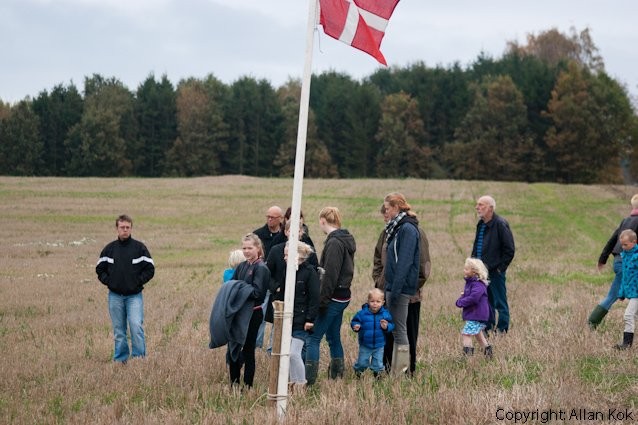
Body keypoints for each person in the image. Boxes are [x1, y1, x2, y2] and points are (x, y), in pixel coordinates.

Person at [373, 203, 431, 376]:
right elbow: (378, 259)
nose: (385, 215)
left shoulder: (415, 232)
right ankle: (386, 369)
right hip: (387, 292)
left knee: (407, 334)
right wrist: (379, 281)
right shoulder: (387, 233)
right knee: (387, 333)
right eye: (383, 212)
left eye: (387, 211)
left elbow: (423, 266)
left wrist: (409, 288)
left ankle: (406, 372)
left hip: (409, 295)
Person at [305, 207, 356, 385]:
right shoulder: (344, 239)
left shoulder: (334, 243)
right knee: (333, 337)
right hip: (342, 296)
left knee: (313, 338)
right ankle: (337, 376)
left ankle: (308, 380)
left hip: (333, 297)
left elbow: (330, 275)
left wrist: (321, 302)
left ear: (323, 221)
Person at [96, 214, 155, 363]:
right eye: (122, 227)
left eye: (128, 227)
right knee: (119, 331)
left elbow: (150, 269)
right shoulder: (109, 249)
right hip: (115, 296)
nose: (125, 230)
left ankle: (139, 359)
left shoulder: (139, 248)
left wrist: (138, 282)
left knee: (136, 326)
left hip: (134, 297)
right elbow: (99, 269)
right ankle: (120, 360)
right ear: (117, 228)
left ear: (131, 229)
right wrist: (109, 282)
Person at [382, 193, 420, 376]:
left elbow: (404, 262)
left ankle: (401, 373)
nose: (385, 212)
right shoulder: (398, 228)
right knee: (397, 331)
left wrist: (395, 290)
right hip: (393, 287)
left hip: (400, 289)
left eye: (387, 208)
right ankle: (397, 371)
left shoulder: (407, 229)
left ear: (396, 207)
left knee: (399, 331)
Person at [588, 194, 638, 329]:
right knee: (613, 295)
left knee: (615, 294)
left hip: (618, 261)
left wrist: (602, 259)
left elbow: (612, 239)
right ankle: (591, 323)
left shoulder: (625, 221)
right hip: (629, 264)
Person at [227, 233, 269, 387]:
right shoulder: (241, 266)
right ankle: (234, 384)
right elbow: (232, 286)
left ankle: (248, 385)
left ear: (258, 248)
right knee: (233, 347)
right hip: (238, 313)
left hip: (253, 313)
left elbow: (258, 293)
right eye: (244, 248)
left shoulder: (261, 268)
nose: (246, 251)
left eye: (250, 248)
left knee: (248, 350)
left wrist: (240, 289)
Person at [471, 195, 515, 334]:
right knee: (486, 301)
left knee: (499, 302)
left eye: (481, 205)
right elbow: (476, 246)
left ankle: (502, 329)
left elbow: (509, 250)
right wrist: (473, 265)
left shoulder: (500, 224)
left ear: (490, 208)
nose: (477, 207)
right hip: (481, 272)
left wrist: (500, 269)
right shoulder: (481, 224)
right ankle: (488, 327)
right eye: (477, 204)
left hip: (495, 272)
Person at [283, 241, 320, 387]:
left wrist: (310, 319)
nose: (284, 258)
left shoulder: (310, 272)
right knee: (288, 355)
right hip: (289, 319)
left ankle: (300, 383)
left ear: (297, 255)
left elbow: (314, 298)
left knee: (294, 353)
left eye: (287, 255)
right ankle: (293, 382)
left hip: (302, 320)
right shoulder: (288, 271)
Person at [351, 288, 394, 377]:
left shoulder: (385, 314)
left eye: (378, 301)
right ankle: (358, 372)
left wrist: (386, 327)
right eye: (372, 301)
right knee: (362, 363)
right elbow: (355, 321)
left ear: (383, 302)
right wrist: (356, 326)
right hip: (365, 344)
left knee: (378, 364)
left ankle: (377, 376)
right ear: (368, 301)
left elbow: (391, 324)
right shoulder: (362, 314)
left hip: (379, 345)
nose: (375, 304)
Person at [455, 258, 493, 358]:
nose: (464, 270)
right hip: (475, 314)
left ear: (474, 271)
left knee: (466, 334)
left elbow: (474, 298)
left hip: (477, 315)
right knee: (478, 334)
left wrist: (461, 302)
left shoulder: (478, 284)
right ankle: (488, 353)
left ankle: (467, 357)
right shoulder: (471, 283)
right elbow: (467, 295)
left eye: (466, 269)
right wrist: (462, 297)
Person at [614, 229, 638, 350]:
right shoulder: (625, 256)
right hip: (632, 293)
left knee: (628, 315)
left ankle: (627, 344)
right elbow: (625, 277)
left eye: (626, 245)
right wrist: (621, 293)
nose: (623, 247)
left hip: (636, 294)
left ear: (634, 242)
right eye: (622, 245)